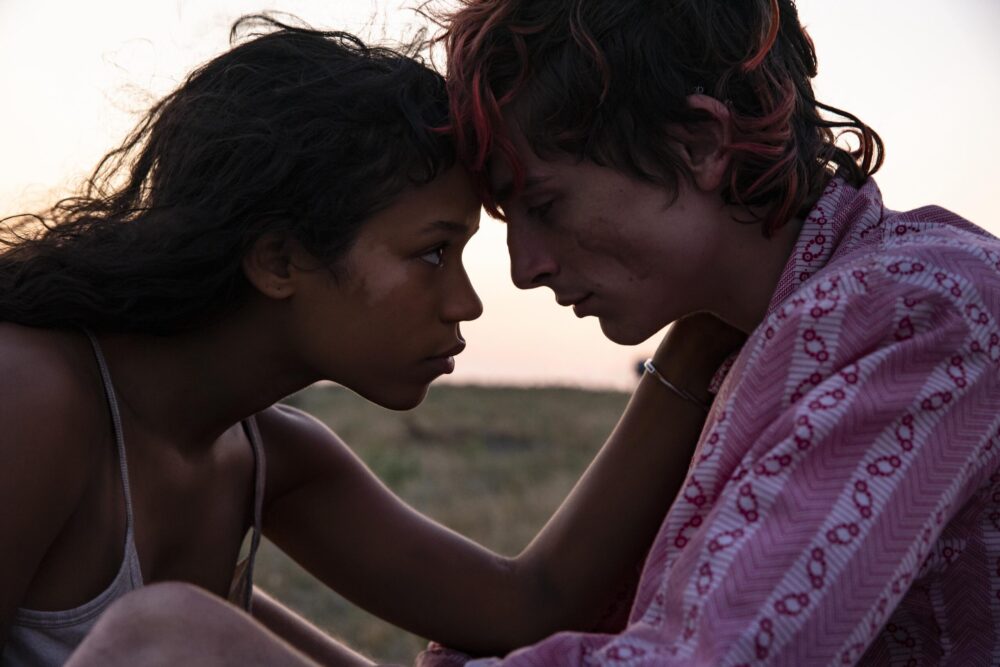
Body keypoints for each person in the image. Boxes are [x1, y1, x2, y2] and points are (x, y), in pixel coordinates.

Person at [0, 15, 743, 667]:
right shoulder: (34, 395)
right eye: (431, 251)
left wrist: (700, 333)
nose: (468, 302)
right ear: (280, 260)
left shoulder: (265, 457)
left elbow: (526, 604)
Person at [420, 0, 1000, 664]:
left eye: (546, 205)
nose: (526, 268)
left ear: (700, 144)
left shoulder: (923, 313)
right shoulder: (758, 329)